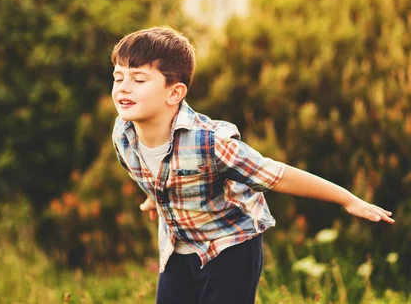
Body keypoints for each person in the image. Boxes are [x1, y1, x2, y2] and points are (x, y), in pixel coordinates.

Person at [110, 26, 395, 304]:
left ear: (174, 93)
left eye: (139, 79)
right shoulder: (123, 135)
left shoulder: (209, 142)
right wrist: (154, 199)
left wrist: (347, 198)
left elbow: (276, 175)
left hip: (231, 247)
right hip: (177, 248)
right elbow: (155, 172)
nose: (124, 87)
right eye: (118, 77)